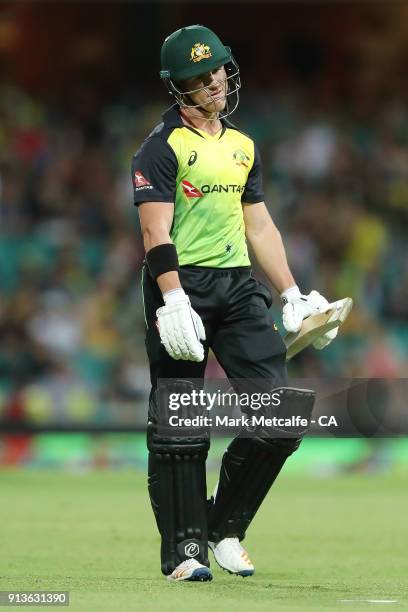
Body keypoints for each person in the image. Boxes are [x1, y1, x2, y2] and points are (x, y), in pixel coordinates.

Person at [131, 24, 336, 582]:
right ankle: (183, 551)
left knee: (282, 413)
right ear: (179, 87)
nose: (215, 81)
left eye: (218, 69)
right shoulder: (160, 147)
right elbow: (156, 233)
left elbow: (259, 225)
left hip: (239, 286)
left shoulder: (243, 146)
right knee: (180, 424)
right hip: (181, 285)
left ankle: (223, 528)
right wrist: (172, 299)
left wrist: (291, 292)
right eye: (200, 76)